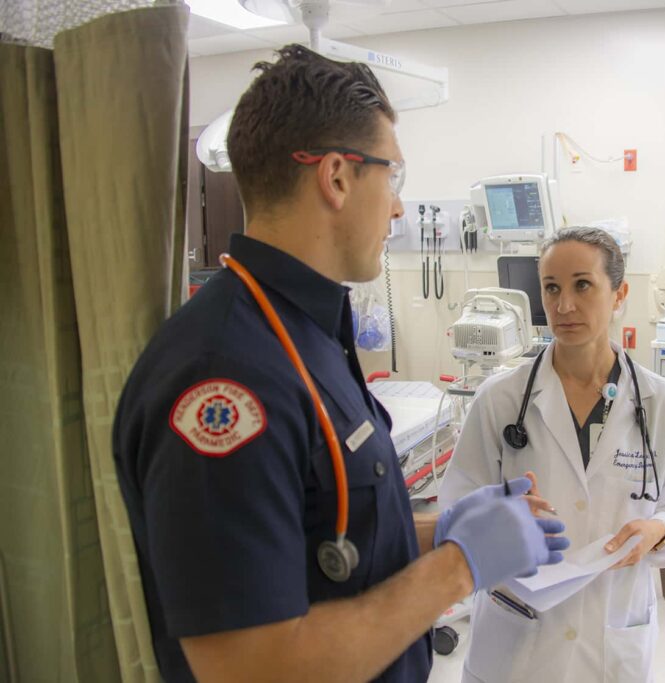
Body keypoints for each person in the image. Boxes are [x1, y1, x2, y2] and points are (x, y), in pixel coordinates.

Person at [112, 45, 567, 683]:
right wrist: (458, 566)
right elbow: (251, 668)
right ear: (337, 177)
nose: (400, 208)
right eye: (395, 178)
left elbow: (322, 536)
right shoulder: (225, 378)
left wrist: (436, 531)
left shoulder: (310, 332)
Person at [439, 227, 665, 682]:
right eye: (551, 288)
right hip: (517, 625)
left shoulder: (662, 403)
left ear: (619, 294)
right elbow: (455, 504)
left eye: (582, 285)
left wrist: (659, 530)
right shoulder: (500, 400)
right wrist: (495, 517)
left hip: (611, 627)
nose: (564, 305)